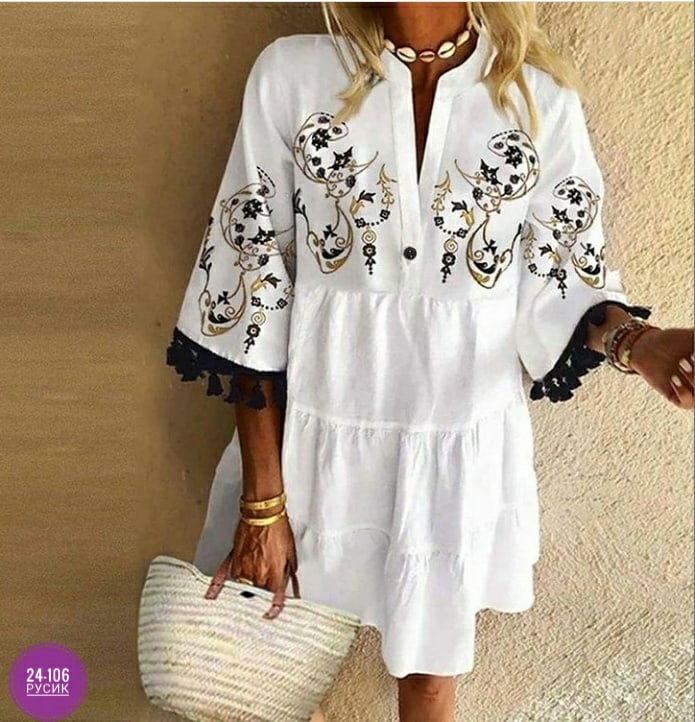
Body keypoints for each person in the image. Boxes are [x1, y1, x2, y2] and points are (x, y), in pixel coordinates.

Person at [165, 3, 694, 720]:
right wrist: (263, 504)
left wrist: (641, 343)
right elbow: (252, 285)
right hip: (311, 444)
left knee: (428, 682)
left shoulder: (536, 101)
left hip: (455, 457)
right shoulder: (292, 75)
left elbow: (565, 285)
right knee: (264, 675)